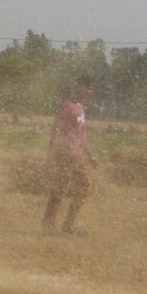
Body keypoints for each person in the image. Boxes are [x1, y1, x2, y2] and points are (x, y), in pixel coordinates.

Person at [43, 84, 97, 236]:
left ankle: (67, 224)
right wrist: (50, 153)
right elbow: (55, 129)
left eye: (89, 89)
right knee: (61, 188)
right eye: (85, 88)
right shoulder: (67, 106)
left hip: (76, 155)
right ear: (77, 88)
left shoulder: (81, 108)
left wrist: (90, 155)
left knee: (85, 186)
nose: (88, 91)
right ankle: (48, 225)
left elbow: (82, 135)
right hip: (65, 153)